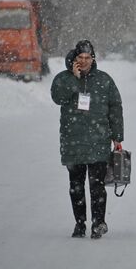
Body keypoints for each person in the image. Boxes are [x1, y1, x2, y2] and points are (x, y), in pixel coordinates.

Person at [51, 40, 124, 240]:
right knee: (76, 185)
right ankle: (80, 223)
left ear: (93, 59)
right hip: (72, 142)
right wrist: (74, 80)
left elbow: (115, 107)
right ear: (74, 59)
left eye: (87, 58)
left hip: (98, 142)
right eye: (80, 58)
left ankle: (98, 223)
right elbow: (57, 98)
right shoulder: (62, 78)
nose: (84, 61)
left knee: (97, 185)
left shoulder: (104, 80)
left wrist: (117, 137)